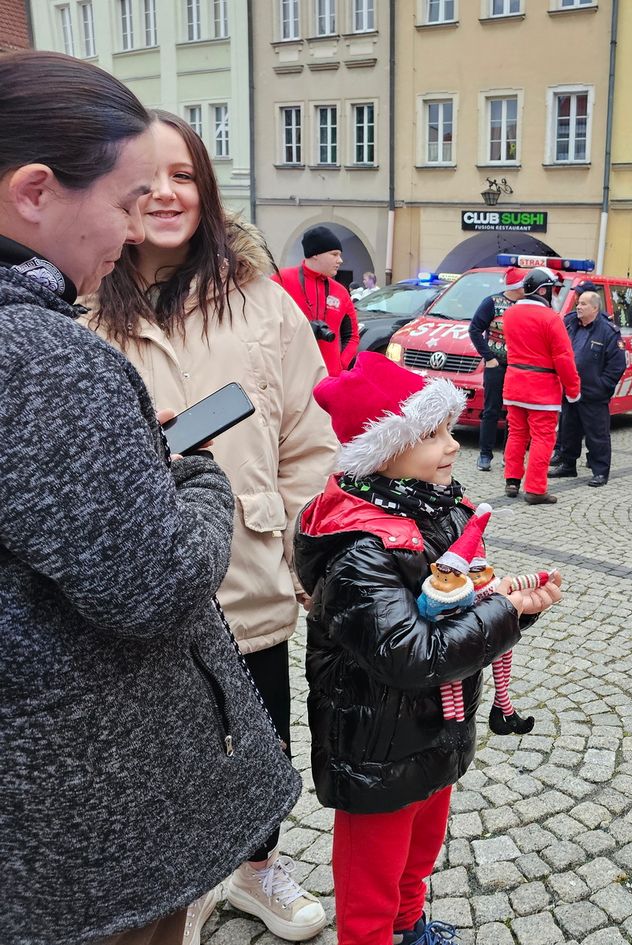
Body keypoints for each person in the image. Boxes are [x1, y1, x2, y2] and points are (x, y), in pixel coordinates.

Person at [0, 51, 300, 945]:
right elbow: (156, 583)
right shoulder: (48, 350)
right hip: (86, 809)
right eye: (127, 200)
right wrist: (191, 472)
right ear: (36, 192)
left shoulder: (260, 303)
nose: (136, 228)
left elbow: (307, 439)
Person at [88, 111, 338, 942]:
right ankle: (160, 894)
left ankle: (257, 869)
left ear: (207, 188)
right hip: (131, 583)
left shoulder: (264, 305)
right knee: (144, 757)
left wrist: (303, 551)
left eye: (184, 175)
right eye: (145, 177)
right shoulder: (79, 303)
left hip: (248, 569)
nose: (164, 192)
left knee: (258, 742)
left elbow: (310, 442)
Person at [296, 352, 562, 945]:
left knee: (420, 849)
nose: (452, 446)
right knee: (374, 869)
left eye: (448, 430)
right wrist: (504, 612)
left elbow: (454, 602)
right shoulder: (360, 546)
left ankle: (410, 927)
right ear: (383, 448)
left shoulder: (432, 509)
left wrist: (506, 599)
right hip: (377, 740)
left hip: (434, 726)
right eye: (432, 434)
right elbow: (409, 653)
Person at [501, 267, 581, 505]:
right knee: (542, 438)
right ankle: (535, 489)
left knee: (516, 433)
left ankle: (512, 480)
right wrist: (574, 390)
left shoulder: (510, 314)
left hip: (514, 383)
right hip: (542, 388)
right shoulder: (550, 319)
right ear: (543, 290)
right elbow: (564, 358)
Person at [551, 289, 627, 487]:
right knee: (568, 430)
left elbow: (617, 365)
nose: (578, 306)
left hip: (594, 394)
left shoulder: (608, 332)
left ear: (595, 307)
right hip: (570, 391)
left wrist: (602, 387)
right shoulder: (571, 326)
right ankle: (568, 464)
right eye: (578, 303)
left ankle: (600, 471)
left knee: (597, 435)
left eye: (583, 304)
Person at [274, 225, 360, 377]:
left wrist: (340, 365)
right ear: (315, 254)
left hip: (329, 379)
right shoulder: (280, 281)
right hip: (290, 376)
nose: (340, 260)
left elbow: (352, 335)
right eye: (334, 254)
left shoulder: (340, 291)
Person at [468, 267, 527, 471]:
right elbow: (475, 329)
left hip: (518, 366)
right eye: (524, 284)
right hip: (497, 365)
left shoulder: (525, 304)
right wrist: (489, 357)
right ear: (516, 286)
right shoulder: (492, 302)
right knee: (491, 410)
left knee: (515, 412)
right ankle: (485, 455)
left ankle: (510, 455)